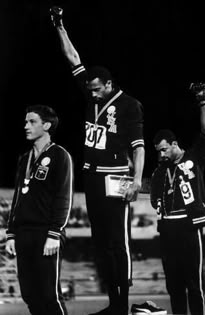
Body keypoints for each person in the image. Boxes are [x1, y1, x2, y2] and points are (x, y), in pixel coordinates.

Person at [50, 6, 145, 315]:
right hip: (92, 175)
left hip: (117, 176)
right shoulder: (92, 94)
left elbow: (139, 147)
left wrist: (138, 180)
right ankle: (112, 304)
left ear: (108, 85)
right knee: (101, 241)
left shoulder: (130, 106)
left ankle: (123, 304)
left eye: (95, 90)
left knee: (120, 240)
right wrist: (60, 26)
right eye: (88, 90)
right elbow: (73, 59)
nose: (90, 95)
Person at [150, 83, 205, 315]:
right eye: (158, 151)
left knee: (193, 286)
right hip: (166, 229)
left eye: (164, 149)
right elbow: (153, 195)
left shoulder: (194, 158)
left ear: (175, 144)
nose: (161, 154)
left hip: (189, 226)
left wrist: (202, 102)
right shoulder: (159, 170)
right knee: (174, 287)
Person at [5, 105, 73, 315]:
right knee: (29, 294)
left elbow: (64, 197)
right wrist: (11, 233)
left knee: (49, 295)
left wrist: (55, 233)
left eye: (32, 121)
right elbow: (17, 197)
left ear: (46, 125)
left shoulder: (60, 156)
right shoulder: (24, 159)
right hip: (23, 234)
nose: (26, 126)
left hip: (46, 234)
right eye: (25, 122)